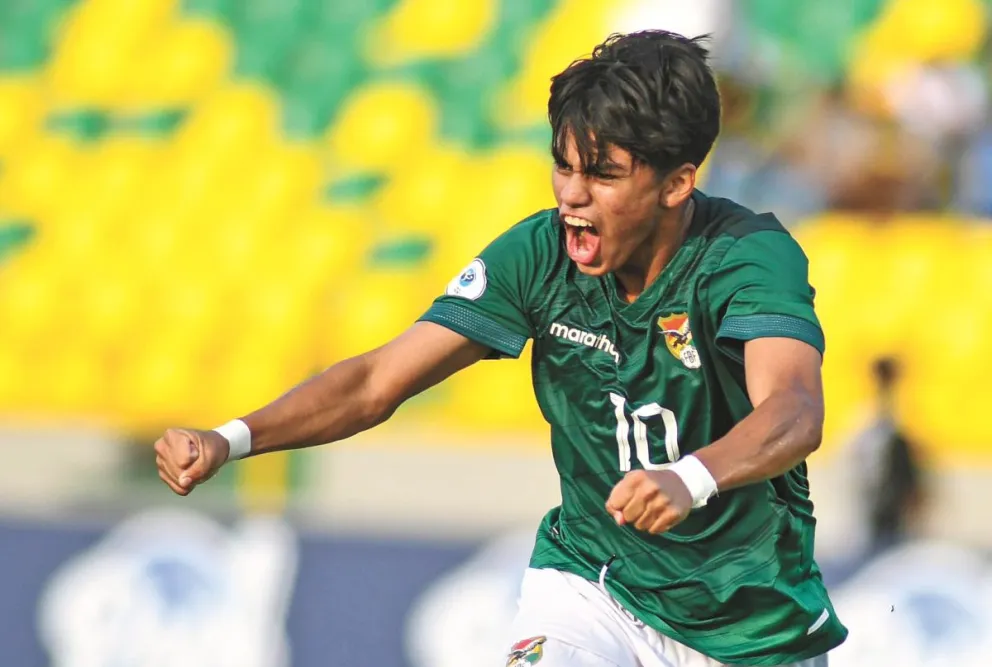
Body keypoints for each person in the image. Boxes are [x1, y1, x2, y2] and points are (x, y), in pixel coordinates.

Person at [154, 30, 847, 667]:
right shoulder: (538, 255)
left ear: (675, 182)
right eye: (563, 166)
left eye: (603, 174)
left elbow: (793, 410)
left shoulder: (749, 257)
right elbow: (376, 380)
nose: (573, 196)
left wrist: (689, 477)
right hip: (593, 586)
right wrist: (229, 439)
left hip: (751, 629)